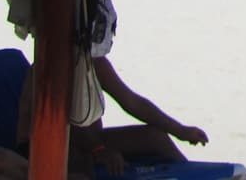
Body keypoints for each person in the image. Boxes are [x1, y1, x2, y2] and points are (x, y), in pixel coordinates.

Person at [17, 56, 209, 176]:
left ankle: (190, 175)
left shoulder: (94, 62)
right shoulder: (51, 65)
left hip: (88, 141)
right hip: (43, 145)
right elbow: (52, 125)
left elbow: (132, 102)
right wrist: (98, 150)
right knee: (78, 167)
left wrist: (180, 130)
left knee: (155, 137)